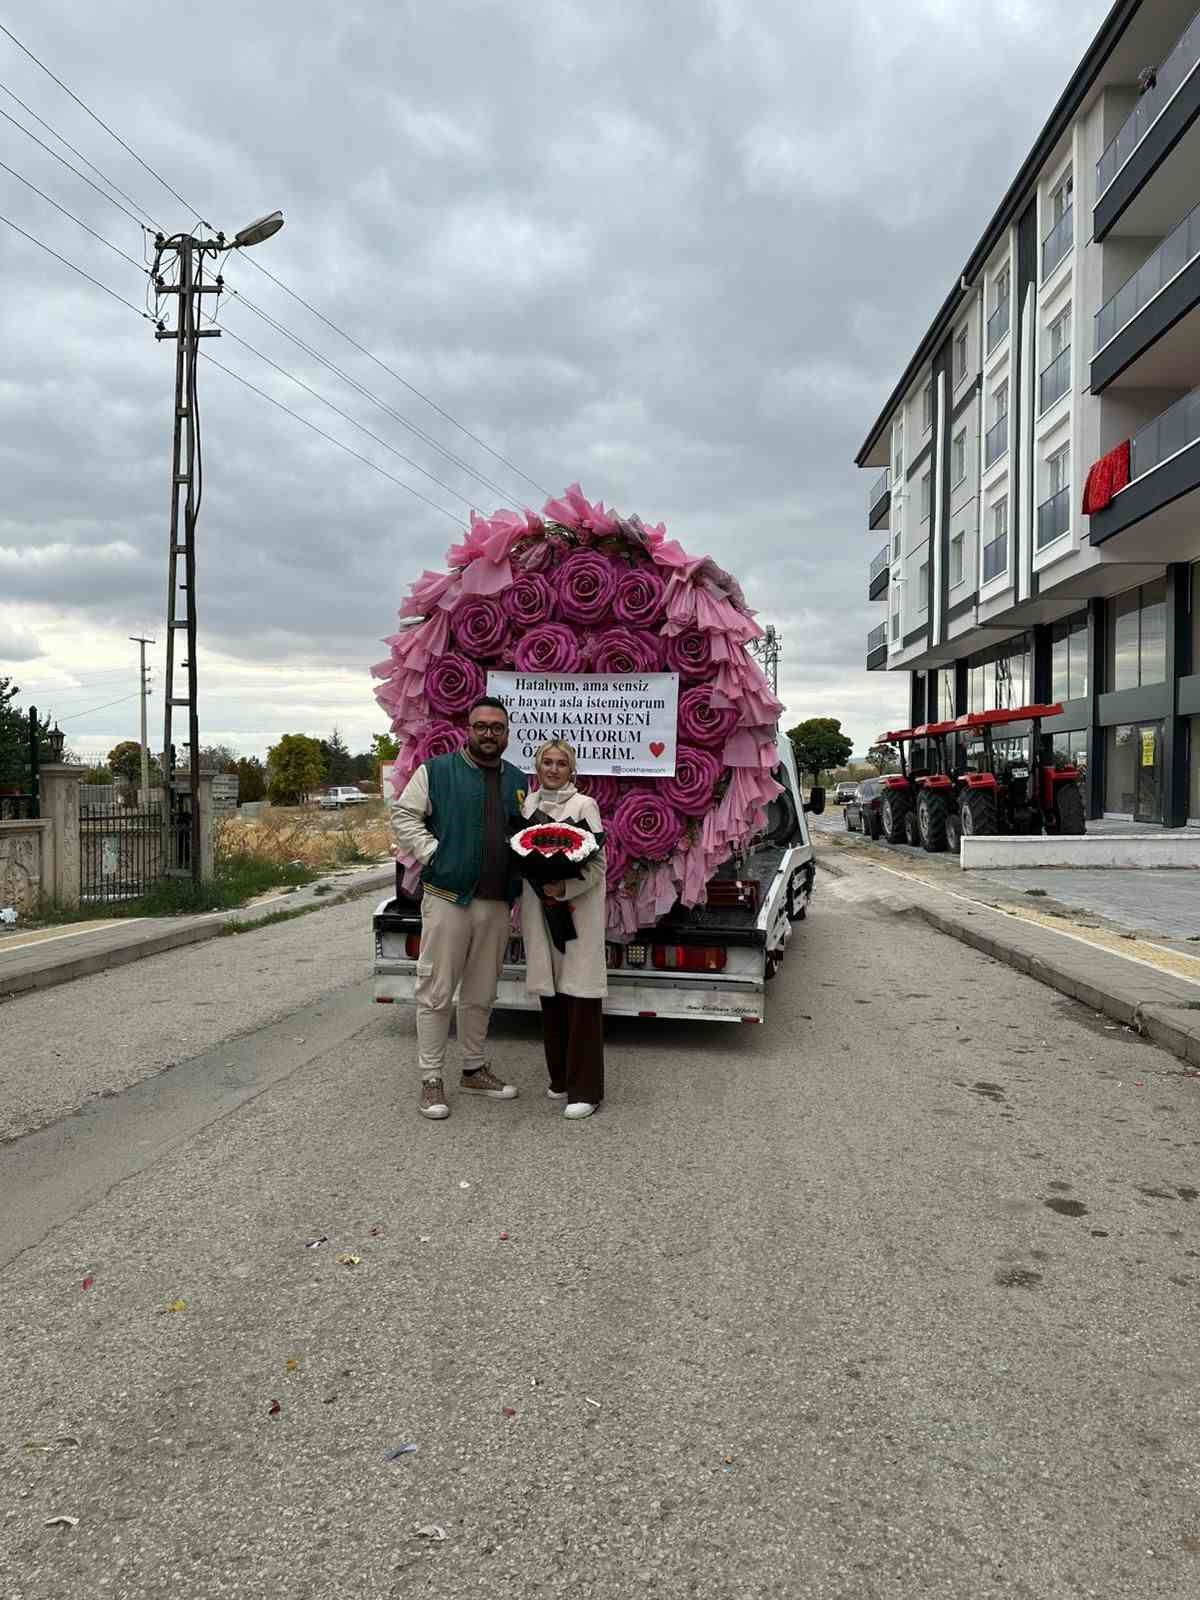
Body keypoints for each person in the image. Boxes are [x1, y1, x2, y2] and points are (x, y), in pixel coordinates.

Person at [390, 696, 525, 1120]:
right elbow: (403, 816)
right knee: (435, 992)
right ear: (468, 729)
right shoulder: (437, 771)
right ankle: (431, 1080)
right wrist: (435, 854)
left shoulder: (518, 780)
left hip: (495, 903)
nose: (489, 733)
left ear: (506, 734)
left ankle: (472, 1068)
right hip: (448, 899)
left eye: (497, 727)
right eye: (481, 726)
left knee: (482, 992)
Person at [520, 741, 606, 1119]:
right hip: (540, 911)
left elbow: (597, 865)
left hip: (576, 914)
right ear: (537, 767)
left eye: (561, 764)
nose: (553, 769)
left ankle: (586, 1089)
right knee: (551, 995)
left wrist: (564, 888)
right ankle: (559, 1078)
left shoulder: (584, 806)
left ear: (572, 769)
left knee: (580, 996)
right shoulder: (528, 806)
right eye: (547, 763)